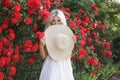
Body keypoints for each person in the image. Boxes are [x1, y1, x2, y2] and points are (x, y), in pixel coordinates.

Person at [39, 9, 76, 80]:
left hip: (64, 64)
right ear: (50, 22)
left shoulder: (66, 35)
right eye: (54, 21)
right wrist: (41, 46)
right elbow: (44, 56)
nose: (56, 23)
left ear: (62, 21)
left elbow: (68, 54)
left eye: (59, 20)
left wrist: (72, 44)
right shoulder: (48, 35)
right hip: (51, 65)